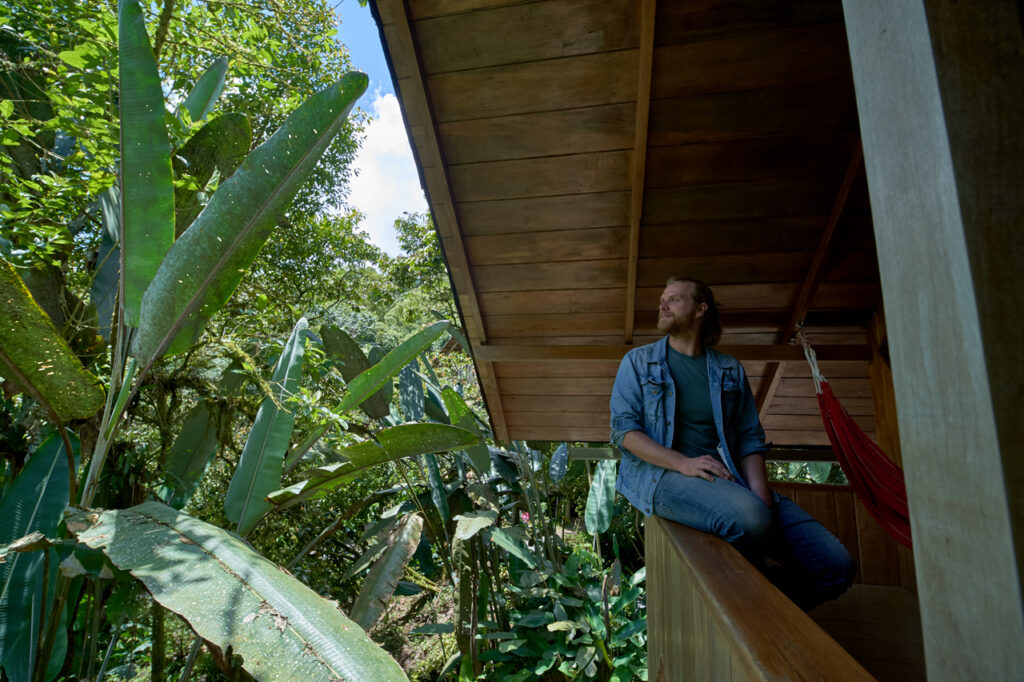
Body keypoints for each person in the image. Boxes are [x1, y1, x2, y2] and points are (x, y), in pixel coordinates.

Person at [609, 275, 854, 610]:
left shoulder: (728, 369)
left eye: (674, 299)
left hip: (727, 479)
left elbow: (749, 438)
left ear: (700, 309)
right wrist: (684, 463)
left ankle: (765, 607)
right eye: (662, 299)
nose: (662, 304)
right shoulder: (638, 362)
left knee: (835, 566)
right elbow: (624, 433)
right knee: (749, 519)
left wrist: (761, 495)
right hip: (661, 477)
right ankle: (756, 613)